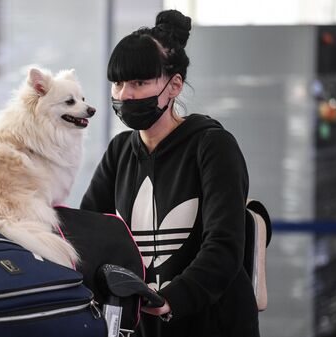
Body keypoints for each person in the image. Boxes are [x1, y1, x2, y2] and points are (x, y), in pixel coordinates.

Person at [80, 9, 260, 337]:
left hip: (209, 324)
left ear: (174, 85)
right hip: (137, 326)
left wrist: (170, 300)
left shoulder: (212, 145)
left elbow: (224, 245)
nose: (124, 95)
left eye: (139, 82)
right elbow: (88, 233)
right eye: (118, 83)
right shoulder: (119, 152)